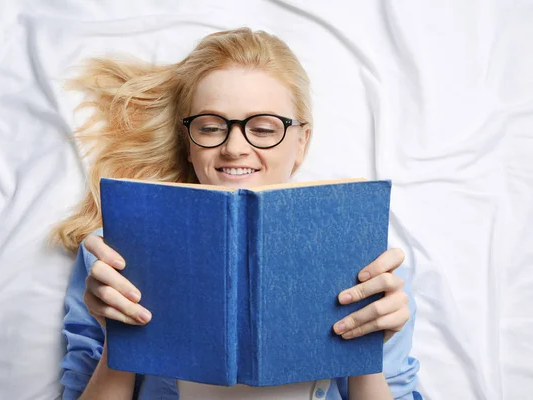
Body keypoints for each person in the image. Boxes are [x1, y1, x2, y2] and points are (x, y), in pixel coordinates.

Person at [53, 28, 421, 400]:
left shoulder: (372, 267)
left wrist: (366, 352)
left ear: (301, 143)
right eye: (211, 128)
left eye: (262, 129)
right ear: (188, 142)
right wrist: (123, 339)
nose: (234, 148)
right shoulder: (111, 254)